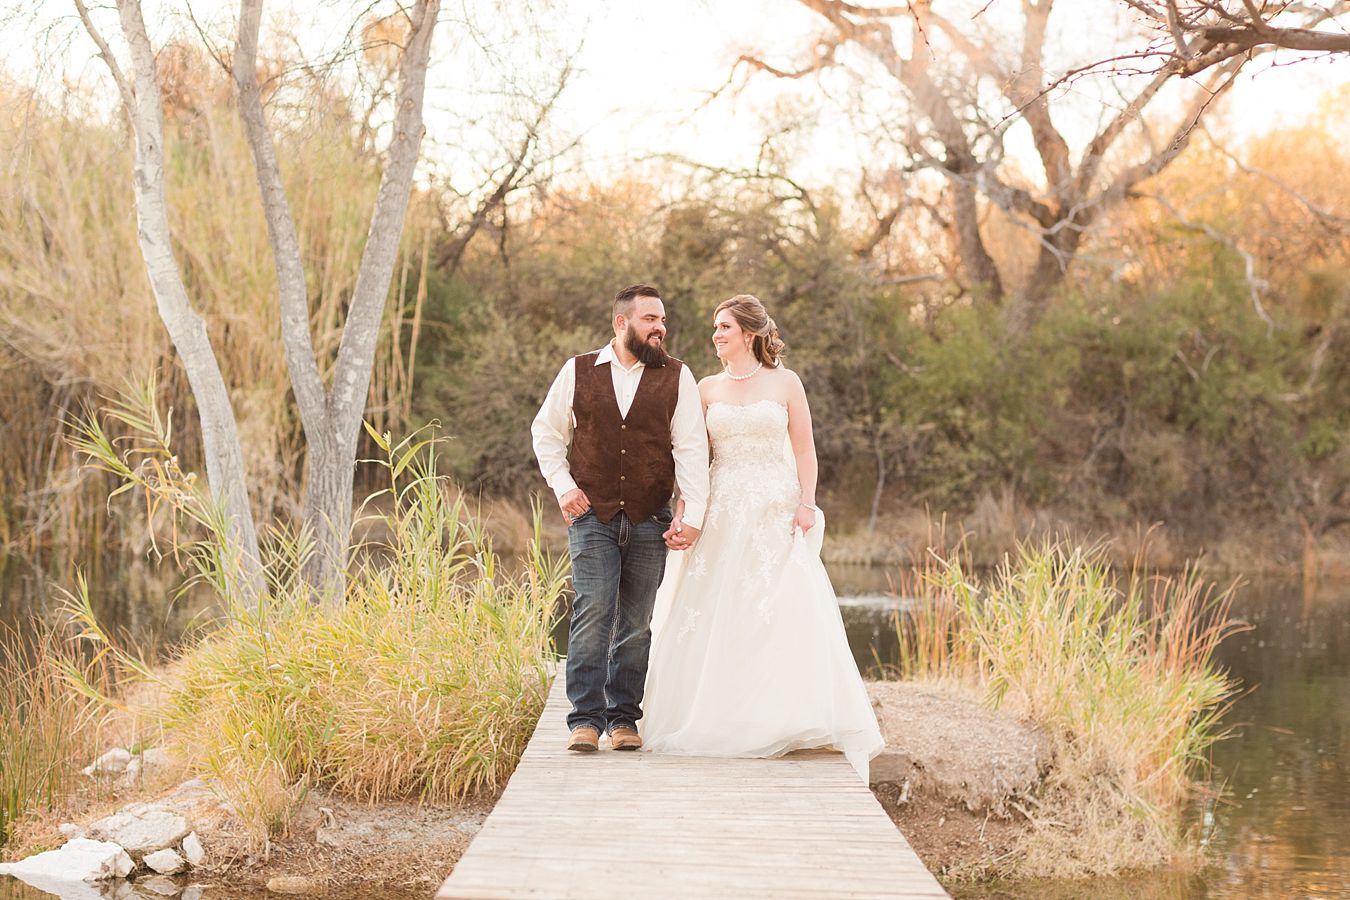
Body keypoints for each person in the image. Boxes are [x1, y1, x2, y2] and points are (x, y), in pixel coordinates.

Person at [640, 294, 884, 781]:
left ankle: (782, 715)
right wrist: (686, 510)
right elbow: (692, 460)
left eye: (724, 327)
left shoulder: (786, 382)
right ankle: (712, 713)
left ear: (748, 333)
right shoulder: (705, 389)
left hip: (775, 509)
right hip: (724, 511)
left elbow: (805, 449)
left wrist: (806, 503)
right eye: (715, 328)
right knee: (717, 608)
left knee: (776, 607)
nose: (716, 335)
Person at [531, 284, 710, 753]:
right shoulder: (577, 371)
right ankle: (584, 720)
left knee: (636, 622)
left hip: (653, 517)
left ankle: (623, 717)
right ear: (621, 323)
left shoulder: (677, 376)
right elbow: (545, 434)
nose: (660, 328)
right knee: (593, 610)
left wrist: (693, 514)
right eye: (651, 319)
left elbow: (691, 448)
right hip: (593, 514)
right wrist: (565, 487)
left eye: (663, 320)